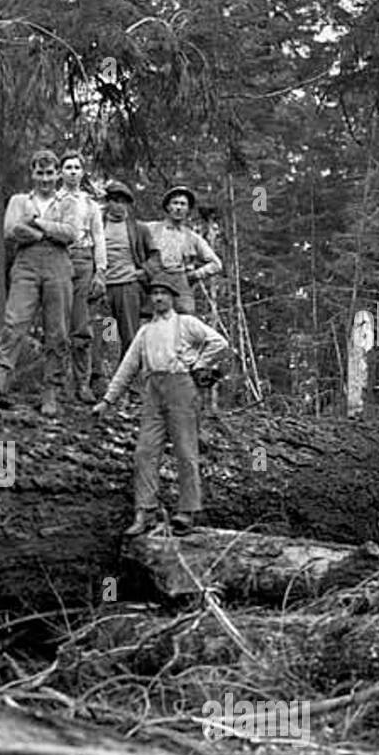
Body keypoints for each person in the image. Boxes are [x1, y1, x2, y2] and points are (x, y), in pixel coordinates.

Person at [92, 273, 229, 536]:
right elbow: (127, 368)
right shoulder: (145, 331)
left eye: (163, 293)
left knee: (185, 450)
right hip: (153, 391)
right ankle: (145, 511)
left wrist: (198, 364)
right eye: (154, 294)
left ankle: (187, 511)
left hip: (180, 387)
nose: (158, 298)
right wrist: (107, 401)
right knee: (145, 451)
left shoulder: (186, 323)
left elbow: (219, 343)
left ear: (172, 297)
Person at [0, 149, 78, 416]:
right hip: (26, 263)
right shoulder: (19, 200)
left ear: (58, 174)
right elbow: (11, 230)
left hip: (58, 265)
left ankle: (51, 391)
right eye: (40, 172)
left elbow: (70, 233)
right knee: (15, 320)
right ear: (33, 173)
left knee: (57, 330)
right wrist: (46, 233)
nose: (45, 178)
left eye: (50, 173)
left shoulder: (68, 203)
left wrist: (37, 223)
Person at [93, 179, 160, 397]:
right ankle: (98, 380)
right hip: (103, 289)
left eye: (124, 202)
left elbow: (155, 257)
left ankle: (128, 383)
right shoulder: (98, 224)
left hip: (127, 289)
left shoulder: (138, 229)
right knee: (104, 334)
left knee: (129, 335)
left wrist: (142, 273)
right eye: (115, 201)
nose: (119, 206)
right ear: (108, 202)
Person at [57, 151, 107, 403]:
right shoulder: (53, 200)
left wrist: (101, 270)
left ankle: (82, 383)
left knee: (82, 324)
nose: (73, 171)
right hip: (58, 259)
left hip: (84, 260)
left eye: (77, 167)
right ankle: (56, 382)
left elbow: (99, 237)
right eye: (68, 167)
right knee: (57, 321)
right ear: (60, 172)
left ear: (82, 172)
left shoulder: (90, 204)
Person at [149, 184, 222, 316]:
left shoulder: (193, 238)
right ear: (167, 206)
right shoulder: (151, 229)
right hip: (155, 283)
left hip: (181, 284)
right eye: (175, 203)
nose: (178, 208)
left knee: (185, 320)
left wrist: (195, 275)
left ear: (188, 209)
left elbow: (216, 264)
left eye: (183, 204)